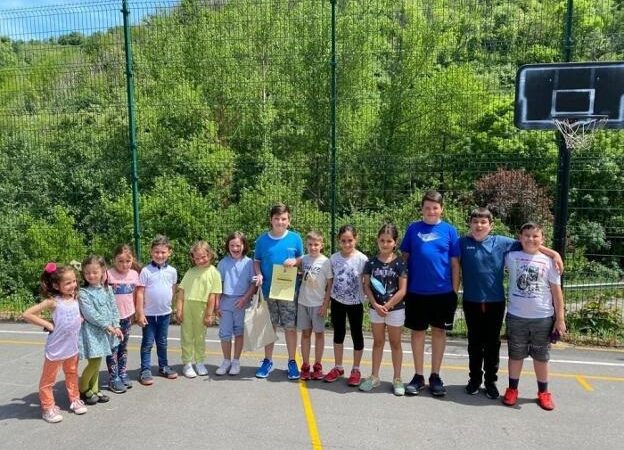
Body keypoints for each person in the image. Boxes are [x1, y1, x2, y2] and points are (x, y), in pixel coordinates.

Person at [460, 207, 563, 399]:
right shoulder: (462, 243)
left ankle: (490, 382)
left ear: (491, 225)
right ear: (470, 224)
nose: (479, 225)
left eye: (483, 222)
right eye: (475, 222)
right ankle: (474, 379)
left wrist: (554, 254)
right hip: (471, 301)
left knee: (492, 344)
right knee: (474, 343)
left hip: (495, 302)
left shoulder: (502, 243)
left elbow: (530, 244)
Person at [400, 190, 460, 397]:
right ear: (422, 209)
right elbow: (404, 260)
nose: (431, 211)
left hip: (442, 293)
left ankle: (435, 375)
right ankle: (418, 376)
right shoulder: (413, 229)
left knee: (438, 332)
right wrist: (403, 288)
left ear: (441, 209)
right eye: (427, 207)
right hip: (416, 292)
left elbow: (454, 264)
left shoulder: (450, 231)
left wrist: (453, 291)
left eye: (435, 207)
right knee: (417, 333)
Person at [502, 222, 566, 411]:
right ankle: (512, 389)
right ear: (520, 237)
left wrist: (560, 318)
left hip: (543, 317)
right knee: (515, 355)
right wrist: (553, 251)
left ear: (542, 239)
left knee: (541, 357)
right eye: (527, 235)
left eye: (535, 236)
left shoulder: (549, 262)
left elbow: (556, 293)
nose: (531, 239)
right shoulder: (511, 256)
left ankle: (543, 392)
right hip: (516, 316)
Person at [22, 263, 88, 423]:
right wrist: (47, 324)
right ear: (55, 285)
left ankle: (75, 399)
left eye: (74, 281)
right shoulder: (53, 301)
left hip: (72, 347)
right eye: (68, 283)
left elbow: (73, 314)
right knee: (48, 380)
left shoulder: (75, 297)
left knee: (72, 374)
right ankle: (47, 407)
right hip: (56, 348)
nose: (73, 285)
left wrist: (79, 319)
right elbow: (27, 314)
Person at [253, 203, 304, 379]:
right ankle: (267, 361)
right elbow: (257, 261)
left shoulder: (296, 238)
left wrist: (295, 262)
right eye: (276, 219)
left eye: (283, 219)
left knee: (290, 328)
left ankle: (291, 361)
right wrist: (258, 275)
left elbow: (302, 259)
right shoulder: (262, 240)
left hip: (289, 291)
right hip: (268, 291)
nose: (280, 222)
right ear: (271, 220)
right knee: (270, 327)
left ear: (289, 221)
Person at [360, 224, 408, 395]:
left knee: (395, 343)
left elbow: (403, 290)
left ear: (395, 243)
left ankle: (397, 378)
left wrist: (387, 306)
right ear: (377, 241)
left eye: (389, 241)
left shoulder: (400, 263)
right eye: (382, 240)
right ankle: (374, 377)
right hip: (376, 309)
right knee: (378, 342)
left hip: (395, 310)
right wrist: (376, 305)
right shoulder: (370, 263)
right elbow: (366, 287)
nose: (385, 244)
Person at [323, 224, 368, 386]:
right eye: (343, 241)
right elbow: (330, 283)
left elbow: (367, 283)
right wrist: (326, 302)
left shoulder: (362, 259)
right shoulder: (333, 259)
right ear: (338, 241)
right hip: (337, 301)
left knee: (357, 334)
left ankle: (356, 369)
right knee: (338, 333)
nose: (347, 244)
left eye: (350, 240)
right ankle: (338, 366)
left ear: (356, 239)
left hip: (355, 303)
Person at [78, 255, 123, 405]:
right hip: (93, 333)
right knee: (94, 361)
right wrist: (107, 325)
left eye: (95, 272)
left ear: (103, 271)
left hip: (107, 331)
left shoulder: (107, 289)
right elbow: (90, 314)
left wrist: (116, 325)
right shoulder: (84, 293)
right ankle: (84, 389)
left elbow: (114, 308)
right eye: (87, 273)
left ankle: (95, 389)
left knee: (99, 361)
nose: (91, 275)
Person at [176, 240, 222, 378]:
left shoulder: (214, 272)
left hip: (202, 307)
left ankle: (200, 362)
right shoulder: (190, 271)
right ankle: (187, 363)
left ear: (210, 255)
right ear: (193, 258)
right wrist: (179, 309)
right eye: (197, 258)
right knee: (187, 336)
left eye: (203, 257)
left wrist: (209, 314)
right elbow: (181, 292)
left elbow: (213, 296)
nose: (200, 260)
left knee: (200, 337)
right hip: (187, 306)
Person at [136, 235, 178, 385]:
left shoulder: (172, 271)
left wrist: (171, 307)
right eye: (156, 252)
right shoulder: (146, 271)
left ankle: (164, 366)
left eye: (163, 252)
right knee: (147, 343)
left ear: (169, 253)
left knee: (162, 342)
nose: (160, 255)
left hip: (164, 314)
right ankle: (145, 370)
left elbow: (173, 289)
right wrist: (140, 313)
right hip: (148, 314)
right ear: (151, 252)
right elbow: (140, 292)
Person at [216, 232, 256, 376]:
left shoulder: (249, 263)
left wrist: (245, 298)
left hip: (242, 303)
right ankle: (226, 361)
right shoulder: (222, 263)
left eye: (238, 245)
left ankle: (236, 361)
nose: (235, 248)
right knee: (225, 334)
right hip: (225, 302)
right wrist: (217, 304)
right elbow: (218, 285)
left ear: (243, 246)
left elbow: (253, 284)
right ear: (228, 246)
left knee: (239, 332)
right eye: (232, 245)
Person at [106, 244, 142, 393]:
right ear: (114, 260)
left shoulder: (134, 274)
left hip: (127, 317)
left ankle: (122, 373)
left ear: (132, 260)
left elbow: (136, 294)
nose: (124, 264)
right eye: (120, 261)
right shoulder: (107, 275)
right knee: (113, 348)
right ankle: (113, 377)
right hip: (112, 319)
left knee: (123, 347)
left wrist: (137, 313)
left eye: (127, 261)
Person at [297, 231, 332, 381]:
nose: (313, 247)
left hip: (318, 304)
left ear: (322, 245)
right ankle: (305, 366)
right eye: (310, 244)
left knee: (319, 334)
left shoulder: (326, 261)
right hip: (303, 302)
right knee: (305, 334)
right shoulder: (303, 260)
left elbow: (330, 285)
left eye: (316, 244)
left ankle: (317, 366)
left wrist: (325, 304)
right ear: (306, 245)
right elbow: (293, 266)